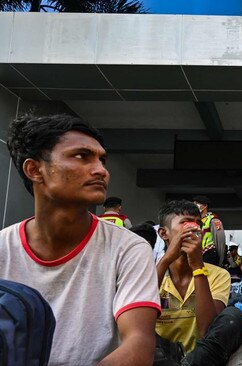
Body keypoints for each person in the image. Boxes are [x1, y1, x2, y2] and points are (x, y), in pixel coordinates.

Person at [0, 114, 161, 365]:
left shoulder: (128, 249)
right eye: (81, 156)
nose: (101, 170)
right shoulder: (3, 249)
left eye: (102, 160)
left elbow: (138, 346)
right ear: (34, 170)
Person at [155, 200, 242, 365]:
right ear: (164, 233)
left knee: (235, 317)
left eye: (198, 225)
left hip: (201, 356)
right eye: (185, 224)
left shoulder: (218, 274)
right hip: (163, 355)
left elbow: (207, 330)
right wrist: (166, 260)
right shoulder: (150, 272)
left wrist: (198, 267)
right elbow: (140, 317)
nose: (194, 229)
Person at [192, 195, 226, 267]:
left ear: (204, 206)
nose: (194, 207)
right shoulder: (195, 220)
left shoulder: (213, 220)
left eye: (196, 204)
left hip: (209, 254)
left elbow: (220, 241)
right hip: (198, 255)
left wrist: (220, 260)